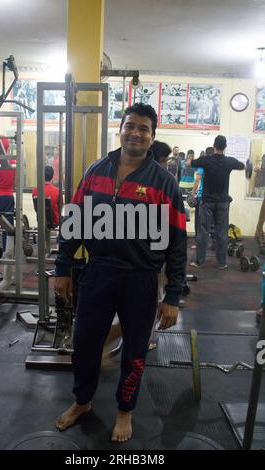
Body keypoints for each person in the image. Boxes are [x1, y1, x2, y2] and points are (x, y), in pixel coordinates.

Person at [54, 103, 187, 442]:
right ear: (121, 129)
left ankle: (125, 411)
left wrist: (172, 295)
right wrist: (63, 268)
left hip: (140, 278)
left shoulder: (163, 182)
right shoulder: (97, 170)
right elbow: (74, 222)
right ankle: (82, 401)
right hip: (97, 272)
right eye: (130, 126)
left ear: (152, 136)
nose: (135, 133)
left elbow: (177, 242)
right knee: (85, 342)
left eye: (143, 128)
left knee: (135, 350)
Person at [190, 135, 245, 269]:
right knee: (222, 233)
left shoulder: (206, 160)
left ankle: (199, 262)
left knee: (203, 232)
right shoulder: (229, 161)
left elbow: (190, 163)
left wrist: (189, 160)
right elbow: (243, 166)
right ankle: (222, 263)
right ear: (225, 147)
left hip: (207, 202)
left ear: (214, 145)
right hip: (222, 202)